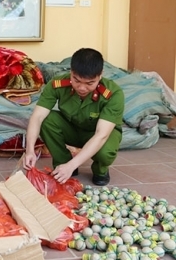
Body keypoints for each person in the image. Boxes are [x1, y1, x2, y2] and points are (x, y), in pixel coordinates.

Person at [23, 48, 124, 186]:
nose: (82, 88)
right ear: (71, 72)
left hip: (98, 134)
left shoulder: (113, 94)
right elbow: (37, 117)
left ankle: (100, 170)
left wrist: (71, 165)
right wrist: (29, 151)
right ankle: (63, 164)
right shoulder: (57, 84)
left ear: (100, 76)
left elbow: (101, 135)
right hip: (72, 129)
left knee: (105, 152)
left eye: (89, 83)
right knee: (47, 120)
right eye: (76, 80)